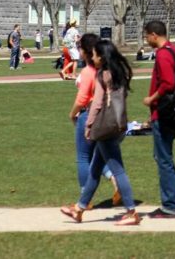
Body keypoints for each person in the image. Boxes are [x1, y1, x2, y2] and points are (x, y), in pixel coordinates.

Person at [61, 39, 140, 226]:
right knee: (95, 169)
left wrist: (88, 126)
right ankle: (79, 208)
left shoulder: (103, 75)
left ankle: (131, 212)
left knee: (118, 170)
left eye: (95, 55)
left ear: (102, 57)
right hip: (118, 125)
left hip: (104, 127)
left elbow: (96, 104)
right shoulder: (120, 73)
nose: (93, 58)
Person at [142, 20, 175, 219]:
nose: (146, 40)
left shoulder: (163, 54)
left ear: (154, 35)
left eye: (147, 36)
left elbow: (168, 84)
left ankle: (170, 205)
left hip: (164, 113)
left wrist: (151, 99)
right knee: (162, 157)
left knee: (163, 158)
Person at [67, 33, 120, 209]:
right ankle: (115, 180)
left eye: (80, 48)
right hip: (105, 116)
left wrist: (72, 114)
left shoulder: (89, 71)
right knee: (98, 156)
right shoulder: (104, 68)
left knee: (83, 157)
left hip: (88, 114)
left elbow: (82, 98)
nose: (78, 51)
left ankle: (85, 197)